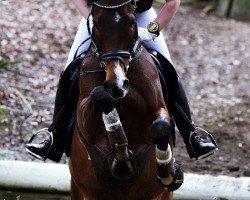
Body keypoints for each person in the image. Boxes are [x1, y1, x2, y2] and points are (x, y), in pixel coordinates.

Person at [25, 0, 217, 163]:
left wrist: (152, 30)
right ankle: (54, 136)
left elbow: (173, 2)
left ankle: (191, 134)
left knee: (168, 69)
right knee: (70, 68)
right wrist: (91, 19)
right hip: (99, 17)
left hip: (139, 17)